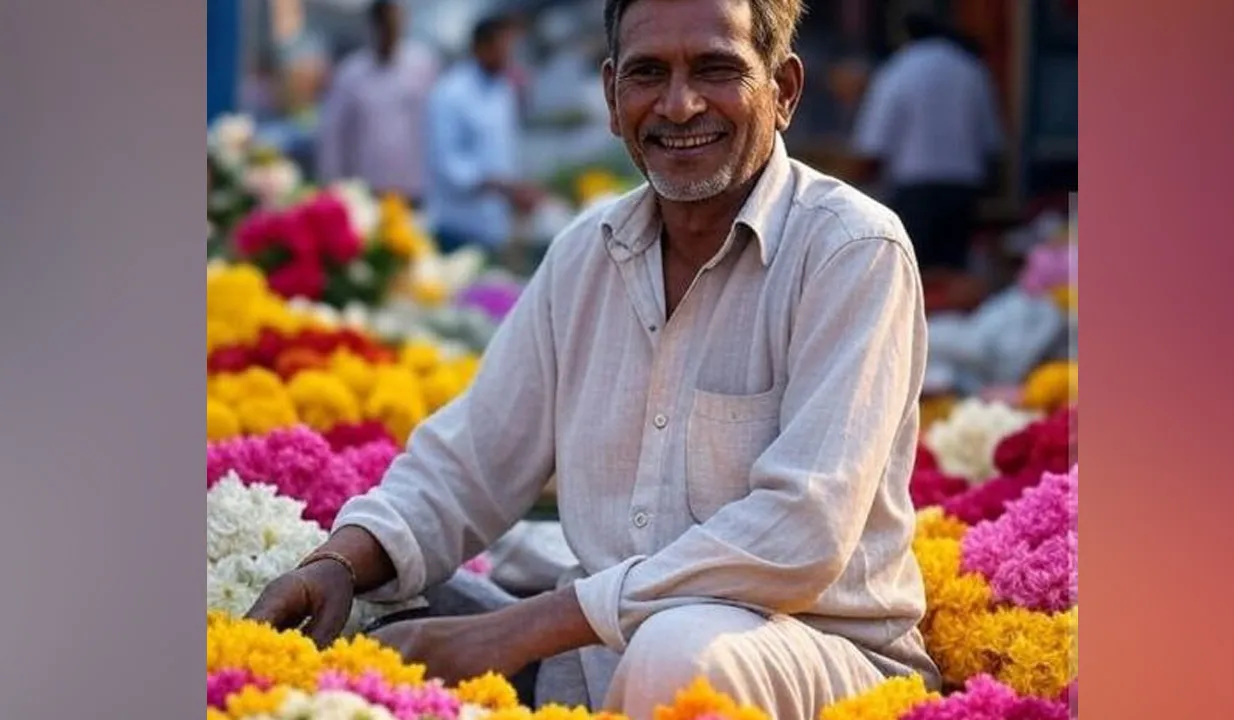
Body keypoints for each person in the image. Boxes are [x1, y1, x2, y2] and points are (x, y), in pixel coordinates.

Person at [246, 0, 940, 717]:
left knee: (679, 653)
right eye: (648, 74)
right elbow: (469, 461)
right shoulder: (587, 253)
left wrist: (519, 629)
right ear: (613, 99)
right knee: (365, 621)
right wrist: (339, 561)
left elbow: (803, 531)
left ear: (784, 90)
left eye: (715, 68)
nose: (679, 104)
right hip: (596, 663)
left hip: (814, 652)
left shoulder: (852, 251)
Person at [850, 11, 1004, 275]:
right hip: (963, 191)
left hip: (914, 191)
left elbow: (873, 145)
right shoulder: (971, 69)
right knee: (953, 275)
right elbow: (991, 142)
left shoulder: (898, 69)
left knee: (912, 275)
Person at [424, 14, 544, 255]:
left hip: (494, 227)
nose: (509, 55)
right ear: (481, 47)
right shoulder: (450, 93)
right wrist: (506, 188)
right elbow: (450, 166)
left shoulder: (503, 89)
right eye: (503, 47)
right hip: (457, 228)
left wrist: (518, 190)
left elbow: (506, 152)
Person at [315, 0, 436, 206]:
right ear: (374, 26)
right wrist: (332, 185)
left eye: (396, 24)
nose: (391, 32)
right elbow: (333, 134)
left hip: (413, 189)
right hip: (366, 190)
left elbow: (434, 126)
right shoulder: (351, 73)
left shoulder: (422, 66)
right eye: (386, 25)